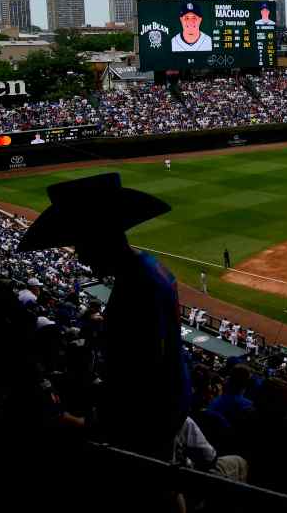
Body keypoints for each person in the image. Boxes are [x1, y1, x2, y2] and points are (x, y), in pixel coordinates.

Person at [18, 172, 190, 459]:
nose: (80, 257)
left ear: (101, 239)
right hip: (165, 405)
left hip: (148, 420)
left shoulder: (137, 286)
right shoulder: (146, 268)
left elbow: (141, 375)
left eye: (81, 245)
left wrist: (91, 423)